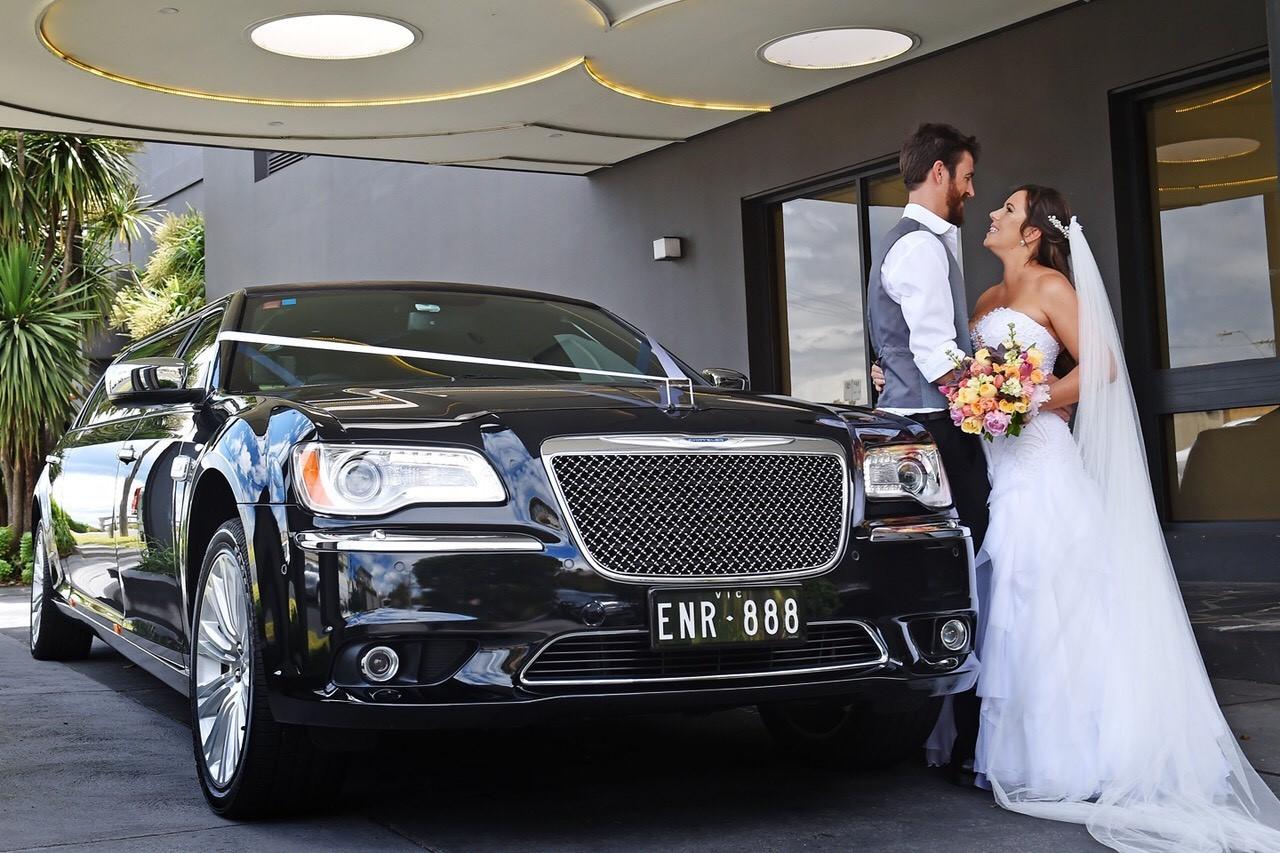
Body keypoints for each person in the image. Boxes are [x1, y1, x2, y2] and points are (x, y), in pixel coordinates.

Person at [884, 183, 1280, 852]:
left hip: (1041, 462)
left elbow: (1103, 366)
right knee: (1008, 602)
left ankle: (1075, 759)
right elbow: (958, 378)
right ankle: (1011, 750)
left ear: (1032, 232)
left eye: (1008, 210)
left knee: (1053, 600)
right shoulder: (985, 299)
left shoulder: (1052, 288)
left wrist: (1029, 398)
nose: (993, 214)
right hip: (996, 468)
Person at [865, 122, 988, 785]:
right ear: (939, 172)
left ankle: (954, 733)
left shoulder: (914, 242)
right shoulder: (919, 247)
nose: (971, 189)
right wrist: (995, 405)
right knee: (962, 570)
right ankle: (965, 737)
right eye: (966, 176)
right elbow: (936, 351)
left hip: (923, 420)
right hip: (935, 429)